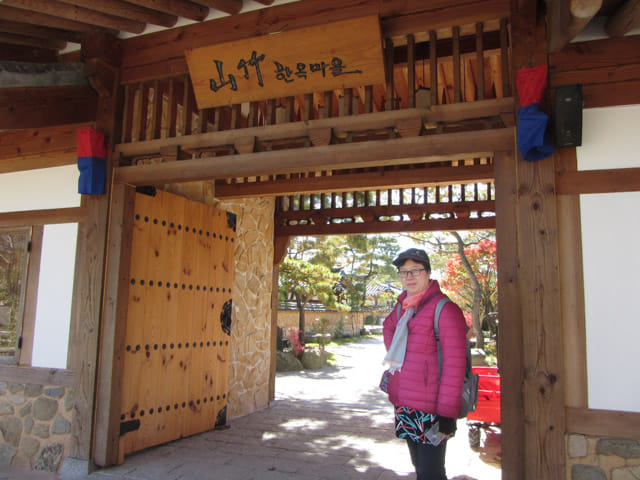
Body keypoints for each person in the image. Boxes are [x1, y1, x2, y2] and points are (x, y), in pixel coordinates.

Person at [382, 248, 467, 480]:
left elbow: (454, 365)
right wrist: (403, 352)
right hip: (406, 403)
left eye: (415, 271)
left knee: (432, 472)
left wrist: (448, 413)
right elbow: (388, 327)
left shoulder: (444, 309)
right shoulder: (404, 307)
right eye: (403, 272)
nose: (409, 277)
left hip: (433, 409)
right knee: (419, 467)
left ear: (428, 272)